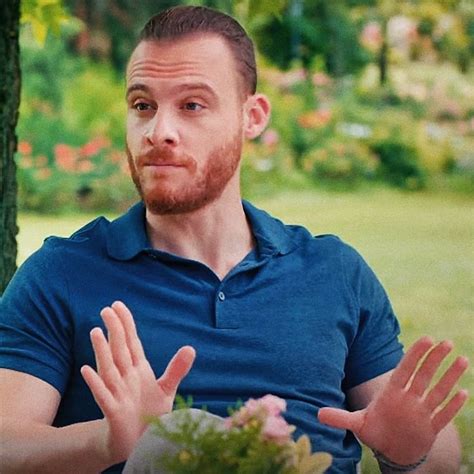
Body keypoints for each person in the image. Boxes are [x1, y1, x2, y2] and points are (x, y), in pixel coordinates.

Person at [0, 5, 469, 474]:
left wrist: (407, 454)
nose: (159, 132)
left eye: (192, 105)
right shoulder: (61, 273)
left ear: (253, 116)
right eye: (143, 105)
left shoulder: (334, 272)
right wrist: (104, 442)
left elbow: (439, 459)